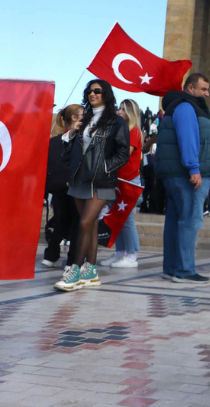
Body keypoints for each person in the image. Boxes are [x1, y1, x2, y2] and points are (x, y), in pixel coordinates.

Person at [55, 80, 130, 292]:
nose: (92, 94)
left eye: (97, 90)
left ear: (106, 94)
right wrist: (72, 133)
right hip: (80, 178)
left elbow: (123, 153)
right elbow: (69, 151)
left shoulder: (116, 121)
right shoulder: (85, 119)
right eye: (89, 91)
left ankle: (75, 271)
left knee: (85, 222)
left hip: (102, 180)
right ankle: (91, 271)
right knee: (90, 224)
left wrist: (105, 167)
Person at [156, 73, 210, 284]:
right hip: (186, 175)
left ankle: (172, 268)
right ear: (190, 88)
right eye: (203, 89)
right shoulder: (186, 106)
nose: (206, 94)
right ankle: (184, 270)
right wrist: (194, 168)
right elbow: (188, 137)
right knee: (191, 220)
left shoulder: (182, 106)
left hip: (177, 174)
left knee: (176, 221)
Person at [99, 99, 144, 268]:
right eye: (119, 108)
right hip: (118, 179)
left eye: (123, 110)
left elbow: (124, 154)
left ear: (131, 113)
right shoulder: (123, 130)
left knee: (127, 218)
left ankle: (132, 256)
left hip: (128, 180)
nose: (119, 112)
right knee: (117, 217)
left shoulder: (133, 131)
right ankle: (119, 253)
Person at [42, 105, 82, 268]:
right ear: (74, 117)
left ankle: (51, 255)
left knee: (60, 220)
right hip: (74, 184)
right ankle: (72, 260)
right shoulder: (77, 139)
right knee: (75, 222)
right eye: (83, 114)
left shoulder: (54, 141)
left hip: (58, 185)